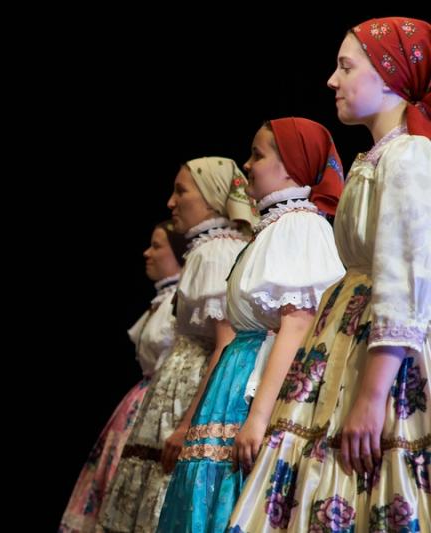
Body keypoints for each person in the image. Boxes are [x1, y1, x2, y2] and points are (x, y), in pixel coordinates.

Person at [228, 17, 431, 532]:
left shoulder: (409, 156)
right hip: (344, 344)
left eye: (346, 67)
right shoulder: (375, 159)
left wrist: (371, 396)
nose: (332, 80)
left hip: (381, 356)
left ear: (389, 74)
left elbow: (406, 279)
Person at [157, 118, 345, 532]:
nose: (247, 165)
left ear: (290, 165)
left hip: (257, 384)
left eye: (257, 155)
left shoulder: (298, 226)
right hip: (237, 377)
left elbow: (297, 323)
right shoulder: (277, 225)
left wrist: (259, 418)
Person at [99, 157, 255, 532]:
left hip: (192, 391)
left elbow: (224, 343)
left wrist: (188, 423)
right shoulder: (212, 247)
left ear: (212, 198)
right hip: (182, 385)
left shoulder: (215, 251)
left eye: (181, 191)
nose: (171, 202)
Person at [59, 220, 186, 532]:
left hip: (163, 405)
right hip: (139, 402)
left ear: (180, 253)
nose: (147, 253)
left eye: (157, 247)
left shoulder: (181, 302)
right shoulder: (162, 300)